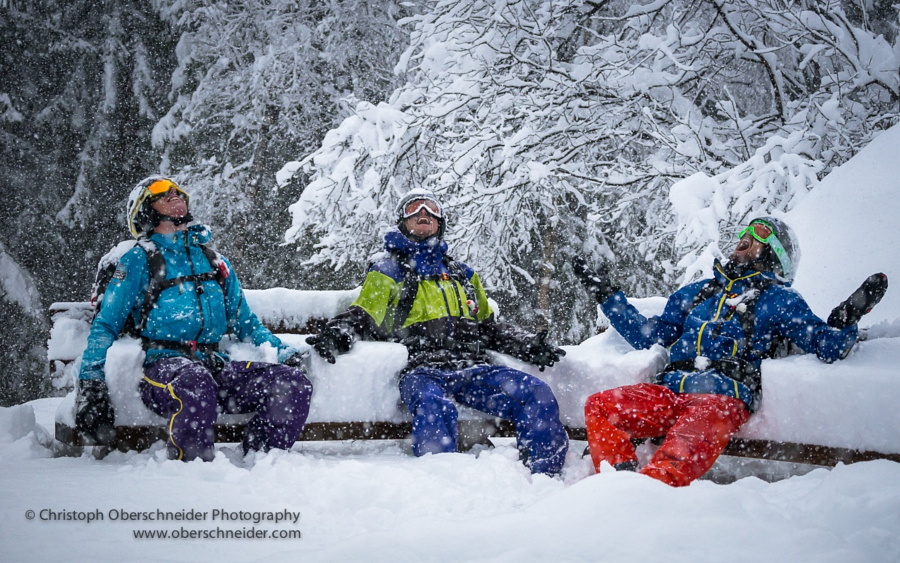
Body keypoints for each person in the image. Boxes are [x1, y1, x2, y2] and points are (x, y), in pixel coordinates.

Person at [573, 217, 887, 486]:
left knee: (670, 467)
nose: (745, 238)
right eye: (745, 233)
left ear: (775, 254)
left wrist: (849, 315)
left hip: (719, 401)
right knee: (600, 407)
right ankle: (617, 483)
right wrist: (607, 296)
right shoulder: (699, 293)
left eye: (759, 236)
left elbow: (826, 345)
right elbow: (650, 336)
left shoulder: (778, 299)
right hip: (669, 393)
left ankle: (640, 504)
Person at [306, 189, 569, 475]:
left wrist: (529, 345)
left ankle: (544, 476)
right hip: (423, 371)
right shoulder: (390, 270)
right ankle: (443, 480)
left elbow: (488, 327)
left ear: (440, 222)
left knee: (536, 393)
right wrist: (338, 332)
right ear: (402, 221)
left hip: (473, 370)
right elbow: (363, 313)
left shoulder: (462, 274)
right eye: (414, 209)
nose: (423, 213)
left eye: (431, 209)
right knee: (434, 406)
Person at [75, 176, 313, 461]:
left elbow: (245, 322)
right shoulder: (140, 259)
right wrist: (91, 384)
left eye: (178, 191)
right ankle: (191, 470)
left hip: (213, 367)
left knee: (293, 384)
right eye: (163, 193)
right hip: (164, 371)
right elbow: (106, 324)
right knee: (194, 381)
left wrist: (282, 350)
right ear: (146, 210)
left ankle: (259, 463)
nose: (175, 194)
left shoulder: (214, 261)